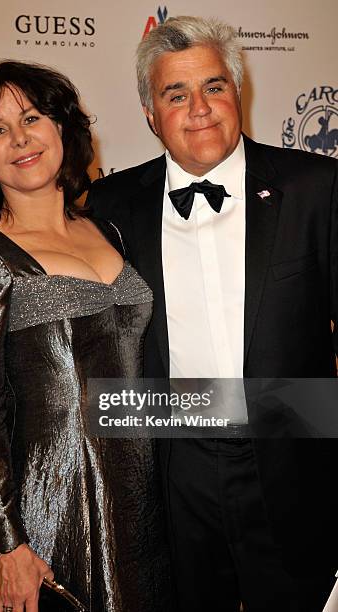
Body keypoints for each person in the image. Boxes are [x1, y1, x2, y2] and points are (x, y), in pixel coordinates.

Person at [87, 16, 338, 612]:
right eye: (176, 93)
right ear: (151, 113)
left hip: (293, 457)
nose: (199, 108)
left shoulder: (316, 187)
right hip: (172, 467)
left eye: (214, 87)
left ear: (238, 93)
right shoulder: (109, 207)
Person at [0, 60, 170, 612]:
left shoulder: (109, 230)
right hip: (46, 515)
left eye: (32, 117)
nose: (20, 139)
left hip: (140, 501)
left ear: (61, 128)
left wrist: (288, 408)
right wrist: (8, 545)